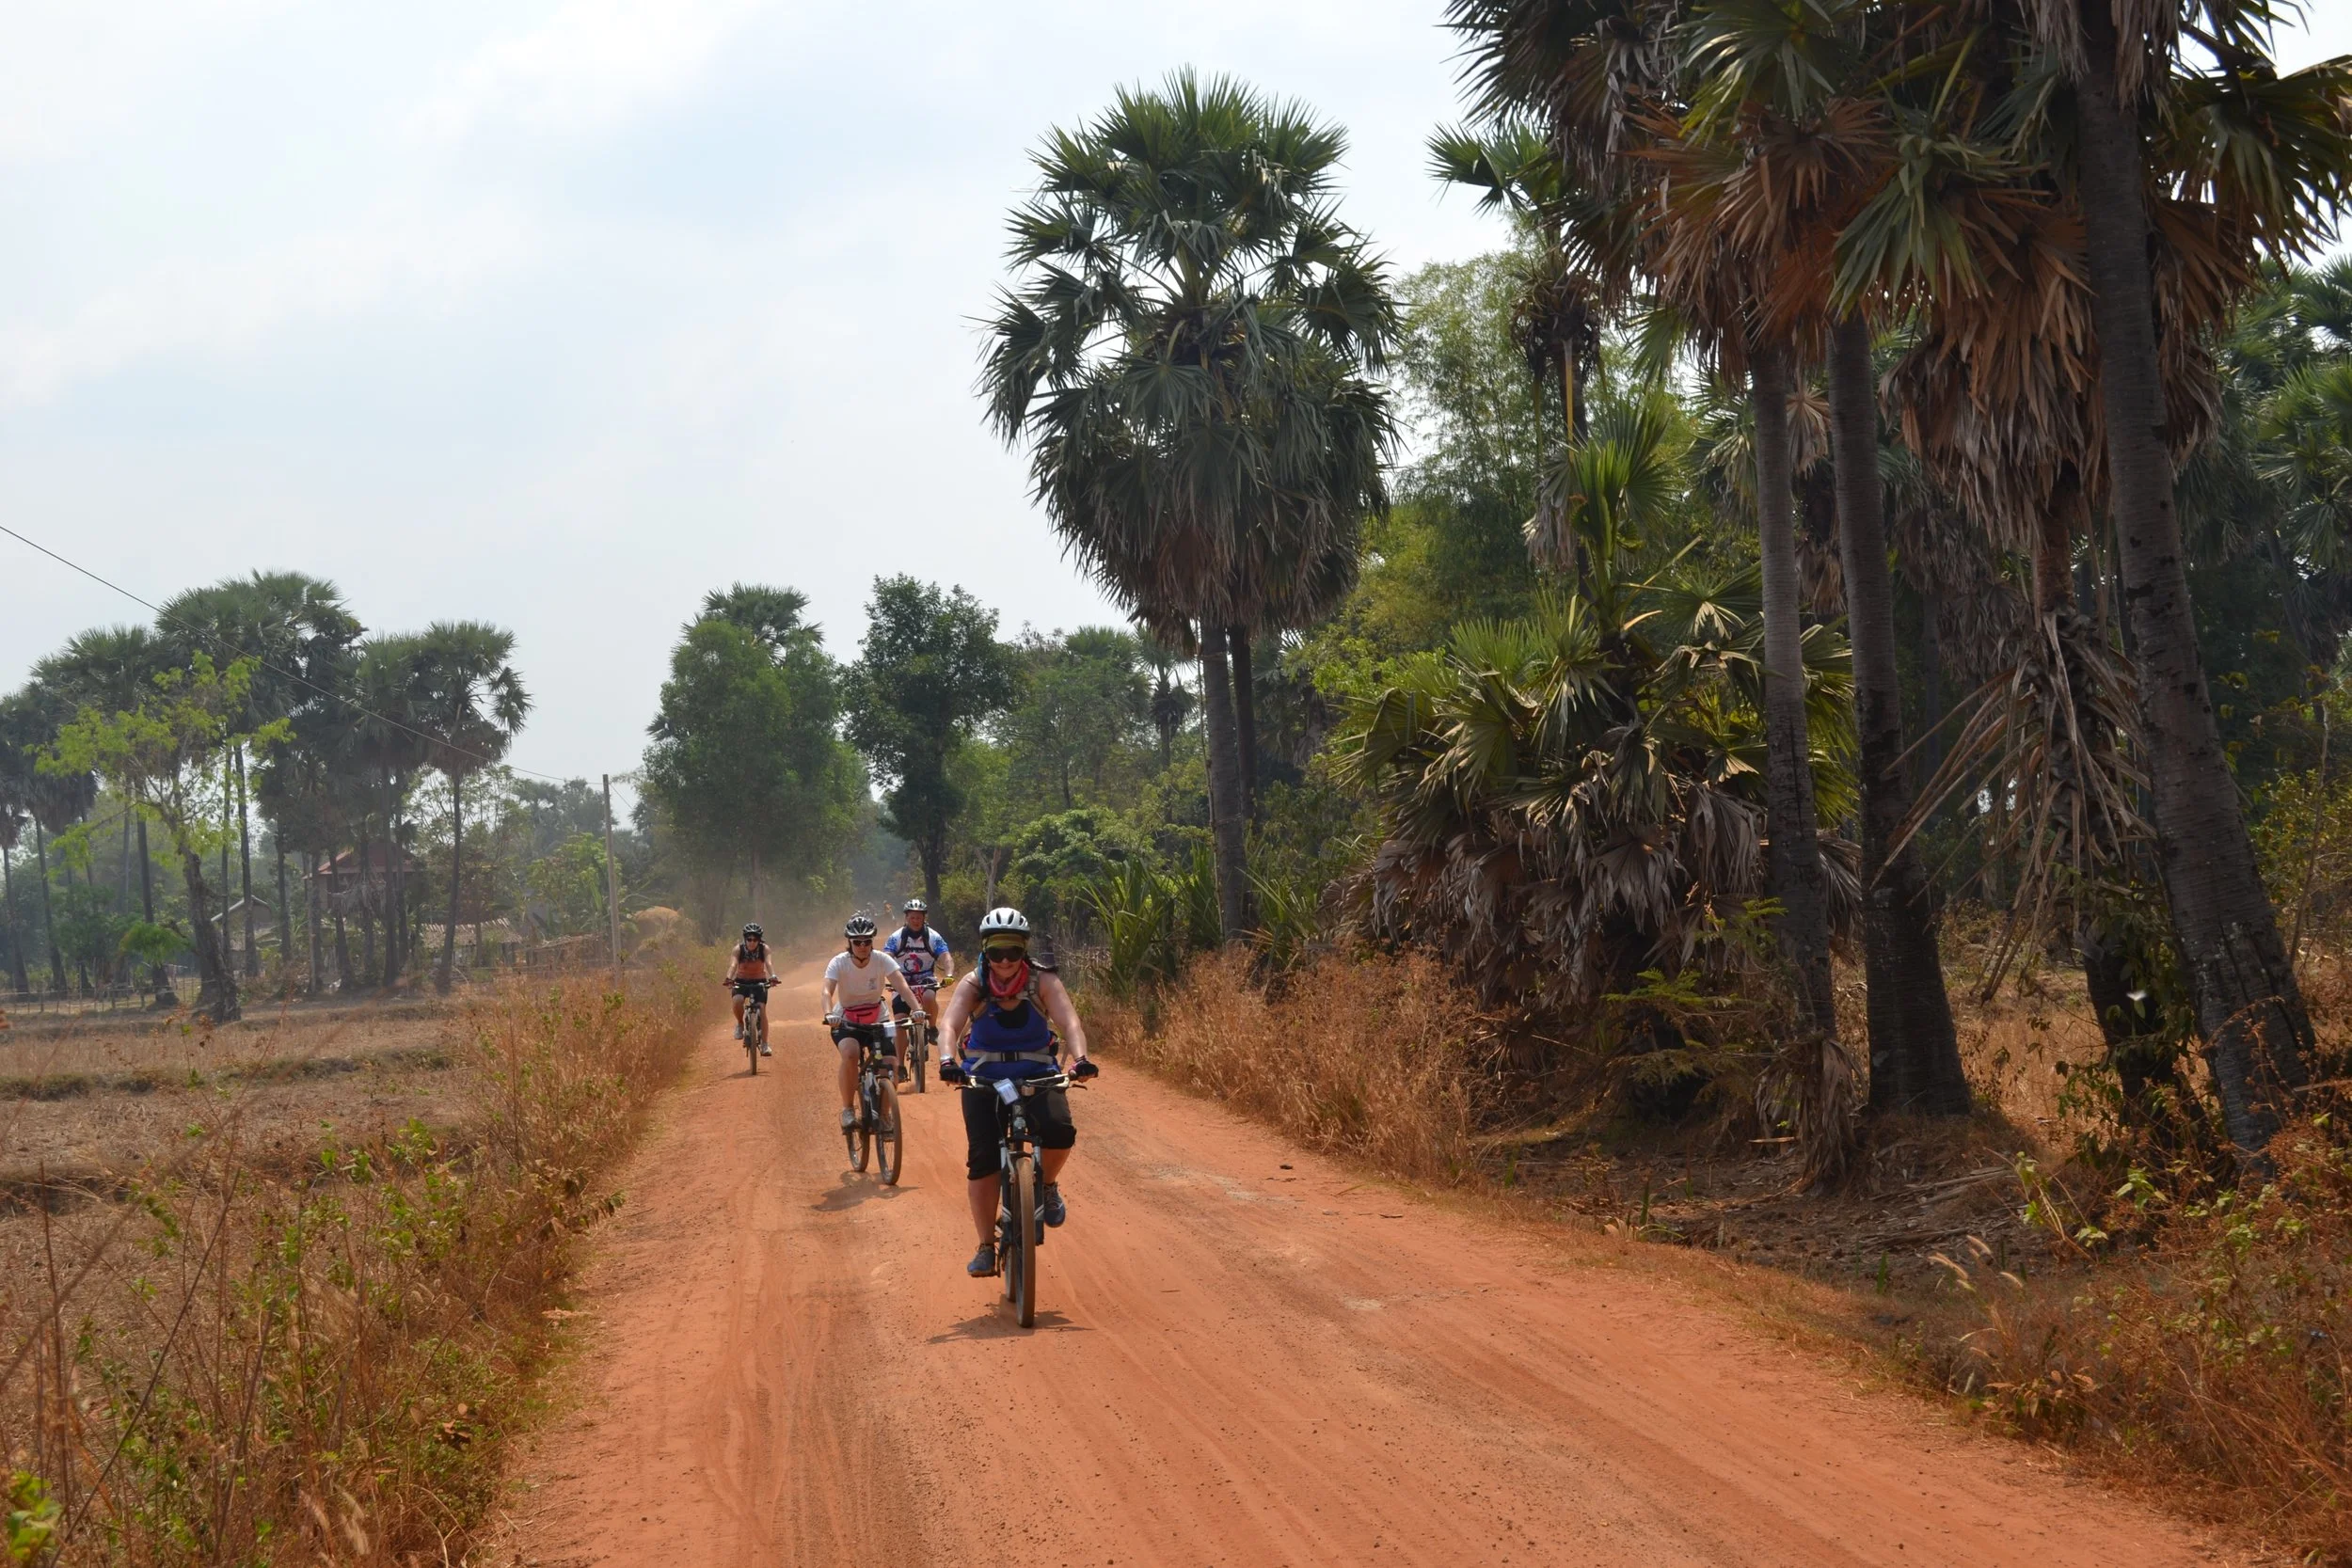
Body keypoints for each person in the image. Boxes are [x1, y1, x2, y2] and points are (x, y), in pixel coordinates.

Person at [937, 906, 1097, 1278]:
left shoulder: (1043, 981)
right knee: (983, 1159)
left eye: (1013, 950)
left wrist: (1082, 1059)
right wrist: (947, 1061)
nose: (1005, 960)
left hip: (1038, 1072)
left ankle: (1048, 1186)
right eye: (996, 951)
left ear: (1024, 950)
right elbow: (950, 1025)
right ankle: (984, 1246)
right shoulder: (973, 983)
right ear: (985, 951)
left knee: (1060, 1131)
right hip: (982, 1077)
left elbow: (1069, 1021)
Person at [820, 913, 924, 1133]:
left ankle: (885, 1115)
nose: (862, 946)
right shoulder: (838, 962)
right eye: (857, 942)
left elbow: (902, 987)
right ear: (849, 942)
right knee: (850, 1053)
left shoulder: (882, 960)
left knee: (891, 1065)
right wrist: (829, 1014)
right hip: (846, 1019)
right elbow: (826, 991)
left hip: (878, 1018)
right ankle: (848, 1109)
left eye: (867, 941)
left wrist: (917, 1009)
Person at [882, 897, 953, 1082]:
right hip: (902, 982)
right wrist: (887, 976)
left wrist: (950, 974)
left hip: (925, 979)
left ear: (924, 918)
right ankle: (900, 1064)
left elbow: (946, 957)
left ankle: (931, 1028)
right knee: (899, 1022)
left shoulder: (933, 937)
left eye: (919, 917)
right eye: (912, 917)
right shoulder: (897, 937)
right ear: (906, 918)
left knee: (930, 996)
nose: (916, 920)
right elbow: (887, 956)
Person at [724, 923, 780, 1056]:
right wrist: (728, 978)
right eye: (749, 939)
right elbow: (733, 965)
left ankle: (765, 1044)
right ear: (745, 939)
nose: (752, 942)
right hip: (741, 981)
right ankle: (740, 1024)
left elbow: (769, 963)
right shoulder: (738, 949)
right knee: (737, 1000)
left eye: (755, 939)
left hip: (759, 981)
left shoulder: (764, 949)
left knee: (761, 1008)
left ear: (759, 940)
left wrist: (773, 976)